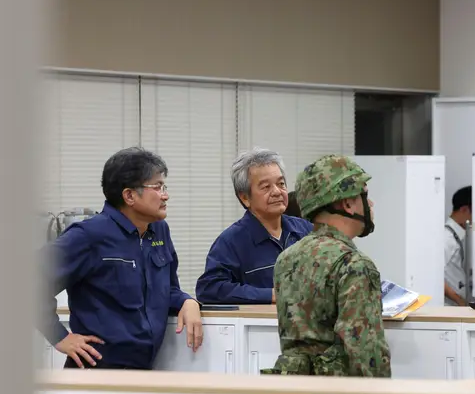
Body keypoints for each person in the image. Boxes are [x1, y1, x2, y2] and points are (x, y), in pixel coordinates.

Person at [39, 147, 203, 369]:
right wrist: (60, 337)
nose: (166, 195)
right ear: (129, 195)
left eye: (164, 186)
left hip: (143, 370)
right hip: (96, 371)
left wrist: (187, 301)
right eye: (157, 187)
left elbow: (166, 289)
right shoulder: (89, 236)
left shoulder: (159, 231)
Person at [262, 154, 392, 377]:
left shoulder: (287, 258)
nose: (370, 204)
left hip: (294, 393)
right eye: (365, 196)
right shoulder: (354, 264)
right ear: (348, 203)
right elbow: (366, 354)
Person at [196, 148, 312, 305]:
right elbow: (210, 288)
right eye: (266, 187)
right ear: (245, 198)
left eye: (281, 183)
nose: (277, 192)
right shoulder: (231, 242)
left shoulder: (306, 231)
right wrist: (270, 295)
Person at [444, 186, 472, 306]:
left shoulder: (455, 237)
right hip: (449, 307)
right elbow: (435, 277)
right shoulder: (446, 238)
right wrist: (459, 301)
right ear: (464, 209)